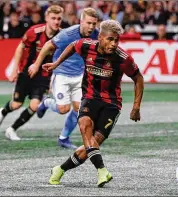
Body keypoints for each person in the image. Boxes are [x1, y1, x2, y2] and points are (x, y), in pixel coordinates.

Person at [42, 19, 144, 187]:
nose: (114, 44)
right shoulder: (86, 46)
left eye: (117, 40)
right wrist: (56, 63)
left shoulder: (123, 58)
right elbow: (72, 45)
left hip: (111, 105)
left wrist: (136, 107)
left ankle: (59, 169)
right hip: (89, 98)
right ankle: (102, 171)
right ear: (101, 37)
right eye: (110, 39)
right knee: (84, 126)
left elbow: (138, 78)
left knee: (91, 145)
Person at [28, 8, 99, 149]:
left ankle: (64, 137)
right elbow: (48, 45)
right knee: (63, 109)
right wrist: (36, 64)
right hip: (61, 74)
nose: (91, 27)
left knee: (80, 109)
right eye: (89, 23)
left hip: (79, 75)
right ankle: (47, 103)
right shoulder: (68, 34)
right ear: (81, 21)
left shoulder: (96, 35)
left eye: (94, 24)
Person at [0, 5, 64, 140]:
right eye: (53, 18)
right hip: (26, 73)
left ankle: (12, 129)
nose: (56, 21)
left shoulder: (62, 36)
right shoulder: (34, 31)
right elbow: (20, 47)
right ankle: (3, 111)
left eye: (59, 18)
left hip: (43, 76)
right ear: (47, 18)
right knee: (16, 104)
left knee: (34, 106)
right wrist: (14, 70)